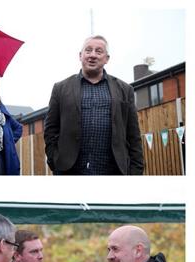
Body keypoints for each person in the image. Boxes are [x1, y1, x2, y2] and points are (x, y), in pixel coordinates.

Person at [44, 35, 144, 175]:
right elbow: (50, 129)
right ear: (80, 55)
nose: (92, 55)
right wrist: (54, 159)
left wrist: (136, 170)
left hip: (113, 172)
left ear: (107, 58)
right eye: (88, 50)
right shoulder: (60, 88)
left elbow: (133, 135)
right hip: (69, 172)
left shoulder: (124, 90)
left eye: (98, 51)